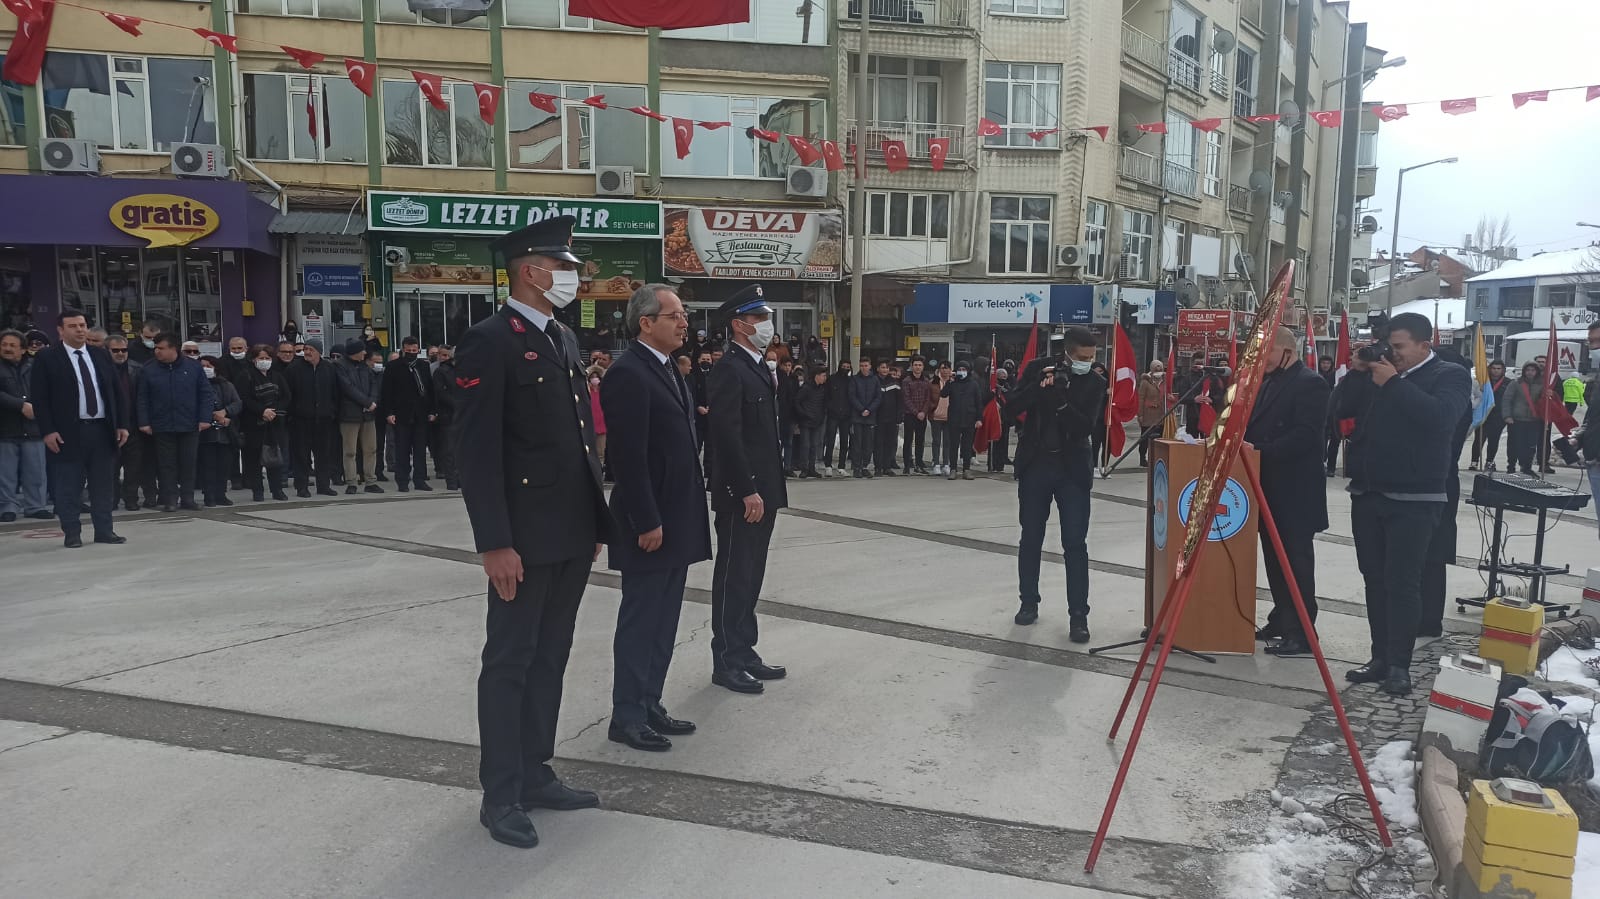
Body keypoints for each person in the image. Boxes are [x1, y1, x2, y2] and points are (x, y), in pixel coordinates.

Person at [456, 215, 610, 849]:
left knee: (552, 656)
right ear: (531, 270)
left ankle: (536, 769)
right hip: (521, 537)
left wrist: (593, 519)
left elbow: (575, 442)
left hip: (569, 531)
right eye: (564, 267)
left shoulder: (562, 340)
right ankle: (501, 792)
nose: (572, 277)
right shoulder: (490, 340)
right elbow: (476, 450)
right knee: (510, 661)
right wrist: (494, 542)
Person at [1332, 312, 1471, 696]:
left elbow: (1441, 419)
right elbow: (1339, 412)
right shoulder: (1378, 375)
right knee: (1374, 580)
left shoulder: (1449, 375)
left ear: (1424, 345)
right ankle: (1379, 657)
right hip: (1369, 493)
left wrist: (1393, 383)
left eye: (1399, 348)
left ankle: (1399, 664)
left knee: (1403, 583)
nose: (1393, 355)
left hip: (1416, 497)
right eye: (1388, 348)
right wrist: (1358, 372)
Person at [601, 284, 711, 752]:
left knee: (665, 620)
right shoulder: (628, 373)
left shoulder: (668, 369)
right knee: (642, 619)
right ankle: (626, 714)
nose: (684, 322)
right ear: (646, 322)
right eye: (675, 315)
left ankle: (649, 702)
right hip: (650, 521)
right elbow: (628, 456)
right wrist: (646, 519)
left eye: (683, 315)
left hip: (677, 515)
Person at [705, 284, 789, 695]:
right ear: (739, 324)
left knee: (752, 573)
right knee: (734, 574)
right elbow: (727, 435)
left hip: (764, 491)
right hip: (744, 495)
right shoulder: (729, 368)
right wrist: (746, 489)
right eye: (758, 318)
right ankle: (726, 658)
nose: (766, 325)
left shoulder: (757, 365)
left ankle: (744, 649)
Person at [1007, 327, 1102, 639]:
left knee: (1075, 544)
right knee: (1030, 538)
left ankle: (1078, 616)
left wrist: (1061, 400)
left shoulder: (1095, 381)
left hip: (1072, 471)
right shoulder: (1039, 369)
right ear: (1069, 353)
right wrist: (1039, 388)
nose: (1087, 362)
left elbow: (1085, 426)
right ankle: (1028, 604)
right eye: (1082, 357)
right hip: (1037, 465)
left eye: (1092, 357)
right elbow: (1011, 408)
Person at [1243, 327, 1331, 656]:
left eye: (1266, 353)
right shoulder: (1269, 382)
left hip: (1295, 492)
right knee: (1274, 562)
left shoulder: (1310, 384)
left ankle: (1303, 632)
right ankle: (1281, 618)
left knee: (1295, 564)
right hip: (1268, 490)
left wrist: (1260, 450)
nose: (1260, 360)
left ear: (1286, 351)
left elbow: (1306, 437)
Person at [29, 308, 128, 548]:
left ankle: (105, 530)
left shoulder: (100, 355)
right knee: (69, 486)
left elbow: (117, 392)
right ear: (61, 330)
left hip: (101, 430)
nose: (80, 330)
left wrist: (122, 424)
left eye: (82, 325)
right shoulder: (48, 358)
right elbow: (40, 399)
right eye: (73, 326)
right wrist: (48, 430)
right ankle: (72, 531)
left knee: (103, 484)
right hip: (68, 432)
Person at [137, 332, 215, 512]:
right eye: (155, 348)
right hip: (162, 424)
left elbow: (205, 393)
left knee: (188, 463)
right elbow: (142, 398)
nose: (157, 351)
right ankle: (170, 499)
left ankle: (188, 498)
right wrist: (144, 422)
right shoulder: (148, 369)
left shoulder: (193, 367)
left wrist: (205, 418)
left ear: (173, 348)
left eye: (161, 348)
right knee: (167, 464)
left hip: (189, 424)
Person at [0, 329, 50, 521]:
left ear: (23, 349)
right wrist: (20, 405)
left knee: (36, 471)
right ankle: (7, 508)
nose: (7, 349)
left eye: (12, 345)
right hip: (6, 428)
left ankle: (35, 506)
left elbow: (45, 391)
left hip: (33, 428)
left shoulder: (34, 367)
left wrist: (36, 407)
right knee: (6, 473)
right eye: (4, 345)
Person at [236, 344, 292, 503]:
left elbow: (286, 396)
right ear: (254, 359)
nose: (265, 361)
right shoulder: (245, 376)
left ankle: (277, 490)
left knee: (275, 459)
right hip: (254, 423)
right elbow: (245, 398)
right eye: (261, 358)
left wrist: (274, 411)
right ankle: (258, 491)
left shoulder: (277, 376)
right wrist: (262, 411)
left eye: (267, 358)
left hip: (275, 423)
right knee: (254, 460)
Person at [286, 338, 341, 498]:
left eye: (311, 349)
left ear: (319, 352)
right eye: (306, 349)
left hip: (324, 420)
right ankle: (301, 487)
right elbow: (288, 394)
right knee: (301, 455)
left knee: (323, 455)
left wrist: (332, 412)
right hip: (301, 420)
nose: (307, 352)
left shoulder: (329, 368)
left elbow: (334, 393)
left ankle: (323, 485)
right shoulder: (294, 369)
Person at [381, 336, 437, 493]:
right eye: (409, 350)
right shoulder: (393, 366)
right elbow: (387, 392)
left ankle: (420, 480)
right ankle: (403, 481)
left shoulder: (423, 366)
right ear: (403, 349)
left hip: (421, 414)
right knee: (402, 449)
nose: (412, 352)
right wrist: (389, 412)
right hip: (401, 414)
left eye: (415, 350)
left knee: (420, 449)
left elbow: (430, 390)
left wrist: (433, 410)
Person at [335, 340, 383, 495]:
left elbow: (373, 384)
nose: (365, 354)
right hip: (349, 414)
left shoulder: (364, 367)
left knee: (371, 449)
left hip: (368, 415)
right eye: (362, 351)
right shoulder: (340, 366)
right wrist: (367, 402)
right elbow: (347, 388)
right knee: (349, 451)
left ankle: (370, 480)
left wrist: (372, 401)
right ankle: (351, 481)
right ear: (355, 352)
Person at [196, 355, 241, 507]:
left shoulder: (226, 385)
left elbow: (237, 403)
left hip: (225, 432)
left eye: (209, 366)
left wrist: (226, 412)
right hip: (206, 432)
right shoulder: (196, 385)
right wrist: (212, 415)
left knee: (224, 466)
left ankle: (221, 494)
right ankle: (209, 495)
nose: (206, 369)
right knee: (208, 466)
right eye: (202, 366)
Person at [1500, 362, 1546, 476]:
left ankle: (1526, 467)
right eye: (1528, 370)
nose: (1530, 372)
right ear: (1524, 371)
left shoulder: (1542, 385)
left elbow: (1545, 402)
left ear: (1536, 372)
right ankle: (1511, 466)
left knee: (1530, 446)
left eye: (1533, 370)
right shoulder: (1516, 384)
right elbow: (1507, 400)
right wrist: (1507, 416)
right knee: (1514, 445)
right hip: (1517, 419)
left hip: (1534, 420)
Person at [941, 359, 984, 480]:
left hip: (969, 419)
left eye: (964, 369)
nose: (962, 372)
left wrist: (979, 418)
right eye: (959, 369)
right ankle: (953, 469)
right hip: (954, 419)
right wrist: (949, 381)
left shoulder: (974, 384)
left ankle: (966, 470)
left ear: (968, 371)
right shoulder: (953, 383)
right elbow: (943, 394)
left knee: (967, 446)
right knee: (953, 445)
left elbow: (978, 403)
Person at [1579, 323, 1600, 539]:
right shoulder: (1597, 380)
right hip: (1594, 459)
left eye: (1597, 341)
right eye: (1591, 341)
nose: (1593, 347)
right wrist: (1582, 436)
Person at [1468, 361, 1509, 472]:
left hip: (1498, 416)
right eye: (1493, 368)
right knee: (1479, 439)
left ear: (1503, 370)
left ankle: (1489, 461)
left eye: (1498, 368)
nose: (1496, 371)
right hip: (1483, 414)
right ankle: (1474, 462)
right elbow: (1475, 394)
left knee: (1493, 440)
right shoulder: (1483, 381)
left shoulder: (1508, 383)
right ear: (1489, 369)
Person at [430, 346, 461, 490]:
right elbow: (440, 393)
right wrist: (458, 404)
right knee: (449, 450)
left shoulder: (462, 370)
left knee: (460, 449)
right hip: (448, 415)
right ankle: (452, 480)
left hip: (462, 415)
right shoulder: (441, 371)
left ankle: (460, 478)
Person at [847, 356, 879, 478]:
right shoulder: (854, 379)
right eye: (862, 365)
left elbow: (878, 397)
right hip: (857, 416)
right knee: (857, 443)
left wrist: (869, 409)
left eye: (866, 365)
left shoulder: (875, 379)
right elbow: (852, 396)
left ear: (870, 366)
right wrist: (861, 409)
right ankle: (857, 467)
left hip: (870, 417)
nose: (864, 368)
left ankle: (865, 466)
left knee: (868, 444)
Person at [901, 357, 934, 475]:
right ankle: (906, 465)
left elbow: (928, 399)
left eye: (920, 365)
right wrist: (916, 412)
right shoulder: (906, 381)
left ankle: (919, 464)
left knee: (920, 441)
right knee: (908, 440)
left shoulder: (926, 381)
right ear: (911, 366)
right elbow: (906, 399)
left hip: (922, 416)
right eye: (915, 365)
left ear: (923, 367)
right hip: (910, 415)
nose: (917, 367)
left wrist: (923, 412)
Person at [793, 366, 827, 478]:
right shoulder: (806, 388)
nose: (824, 378)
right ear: (817, 376)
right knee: (805, 445)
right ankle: (804, 468)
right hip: (806, 421)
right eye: (823, 376)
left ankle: (812, 468)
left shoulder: (822, 388)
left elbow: (823, 404)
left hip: (817, 421)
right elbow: (797, 402)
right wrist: (803, 414)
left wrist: (821, 416)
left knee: (814, 446)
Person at [822, 359, 853, 477]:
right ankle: (828, 465)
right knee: (830, 440)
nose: (845, 368)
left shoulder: (850, 381)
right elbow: (826, 396)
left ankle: (841, 466)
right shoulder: (832, 379)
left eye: (847, 367)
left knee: (845, 442)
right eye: (843, 366)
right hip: (833, 414)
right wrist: (830, 408)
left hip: (846, 416)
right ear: (839, 366)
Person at [1136, 359, 1166, 468]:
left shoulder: (1165, 381)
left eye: (1160, 366)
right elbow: (1140, 398)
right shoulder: (1145, 382)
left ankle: (1157, 457)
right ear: (1152, 368)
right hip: (1148, 414)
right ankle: (1142, 458)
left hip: (1161, 414)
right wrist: (1140, 414)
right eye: (1156, 367)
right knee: (1145, 437)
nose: (1158, 369)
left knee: (1159, 438)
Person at [875, 360, 903, 477]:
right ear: (878, 369)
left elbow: (899, 401)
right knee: (878, 444)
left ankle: (887, 467)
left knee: (889, 444)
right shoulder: (874, 381)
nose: (885, 370)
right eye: (882, 367)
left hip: (891, 418)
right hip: (878, 418)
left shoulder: (895, 383)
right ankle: (878, 468)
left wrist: (899, 416)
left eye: (886, 368)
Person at [774, 356, 799, 475]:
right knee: (779, 442)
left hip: (790, 414)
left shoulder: (794, 378)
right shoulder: (777, 376)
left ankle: (787, 467)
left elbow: (797, 396)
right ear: (781, 365)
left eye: (789, 365)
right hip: (780, 413)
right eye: (786, 365)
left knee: (788, 442)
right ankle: (777, 466)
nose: (788, 368)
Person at [988, 365, 1013, 473]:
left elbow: (1010, 399)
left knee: (1003, 443)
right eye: (1001, 376)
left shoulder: (1007, 387)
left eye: (1004, 376)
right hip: (995, 419)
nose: (1003, 377)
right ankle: (992, 464)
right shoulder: (992, 388)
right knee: (994, 442)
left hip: (1005, 419)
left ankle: (1000, 464)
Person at [930, 362, 952, 475]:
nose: (945, 370)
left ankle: (946, 464)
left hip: (950, 417)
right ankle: (936, 463)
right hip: (936, 416)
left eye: (947, 368)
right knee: (936, 441)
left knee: (947, 442)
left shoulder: (953, 382)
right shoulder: (933, 382)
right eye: (943, 368)